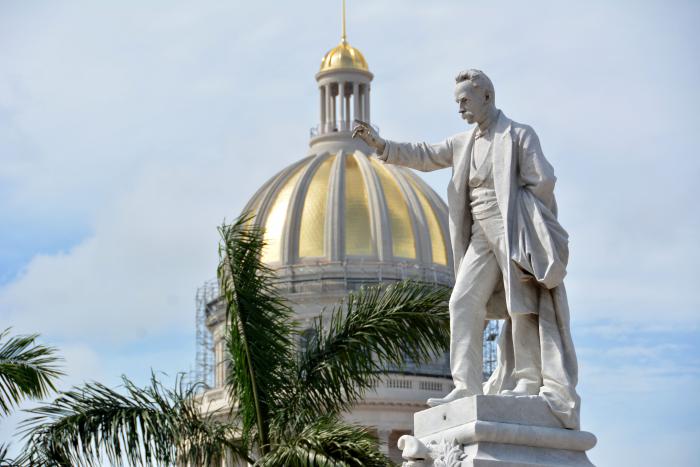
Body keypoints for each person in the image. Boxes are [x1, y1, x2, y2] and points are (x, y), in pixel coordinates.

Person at [352, 69, 581, 429]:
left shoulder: (518, 135)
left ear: (486, 97)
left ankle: (527, 379)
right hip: (480, 235)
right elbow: (426, 155)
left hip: (511, 228)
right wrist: (383, 147)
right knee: (462, 301)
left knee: (520, 305)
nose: (460, 108)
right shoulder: (464, 142)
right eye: (457, 102)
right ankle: (465, 384)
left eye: (464, 101)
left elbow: (544, 181)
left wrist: (527, 218)